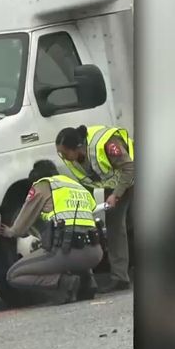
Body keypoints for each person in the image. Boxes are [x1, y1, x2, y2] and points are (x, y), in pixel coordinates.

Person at [0, 160, 103, 303]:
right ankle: (87, 281)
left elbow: (23, 220)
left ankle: (64, 283)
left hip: (66, 251)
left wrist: (11, 231)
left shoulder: (42, 184)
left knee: (13, 275)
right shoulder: (75, 185)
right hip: (95, 252)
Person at [56, 125, 135, 293]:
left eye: (64, 153)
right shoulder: (73, 159)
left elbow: (129, 168)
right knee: (115, 228)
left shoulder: (106, 144)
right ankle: (120, 277)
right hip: (115, 183)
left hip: (133, 175)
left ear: (77, 148)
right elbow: (87, 182)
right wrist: (85, 207)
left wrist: (116, 194)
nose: (62, 157)